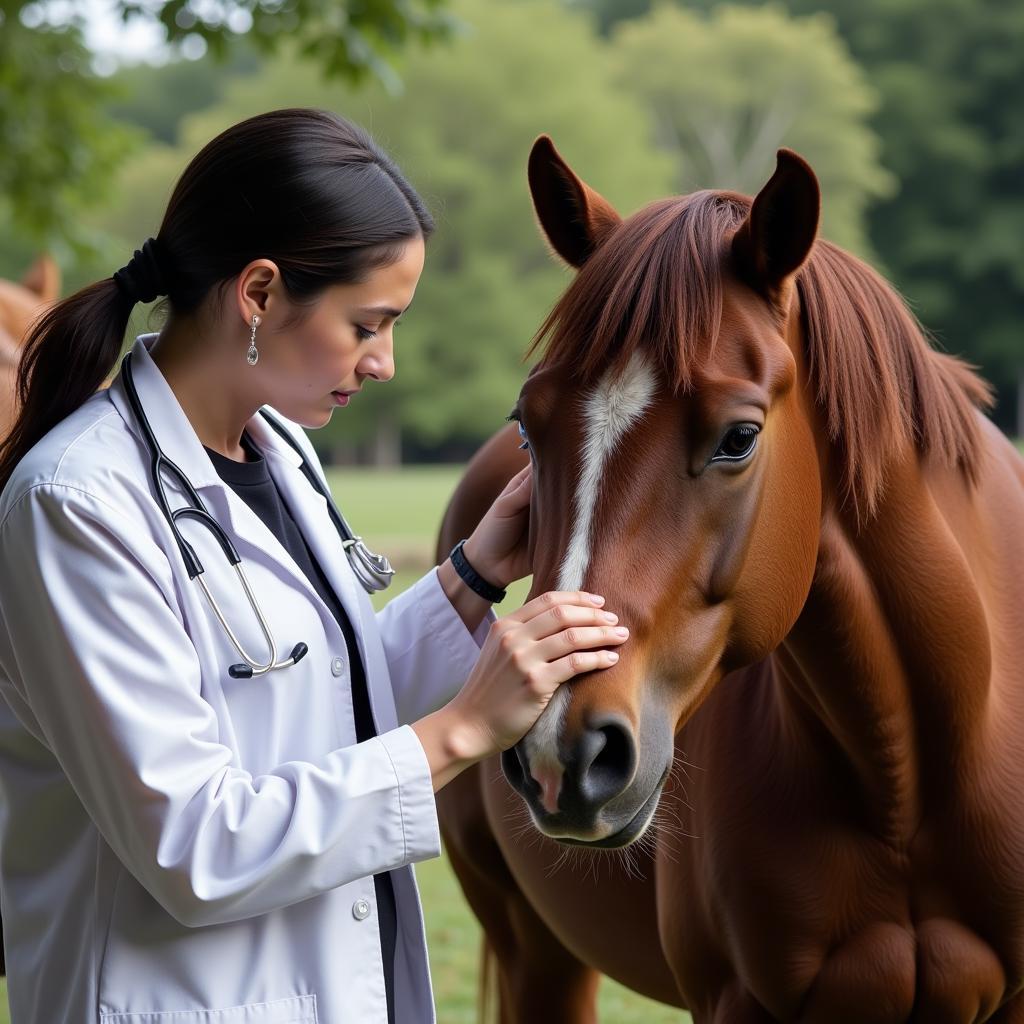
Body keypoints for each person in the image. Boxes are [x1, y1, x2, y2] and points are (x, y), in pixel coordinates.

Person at [0, 108, 628, 1023]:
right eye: (368, 324)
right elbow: (194, 846)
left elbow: (310, 700)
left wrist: (474, 576)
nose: (386, 364)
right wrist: (460, 730)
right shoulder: (79, 504)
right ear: (258, 293)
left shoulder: (279, 448)